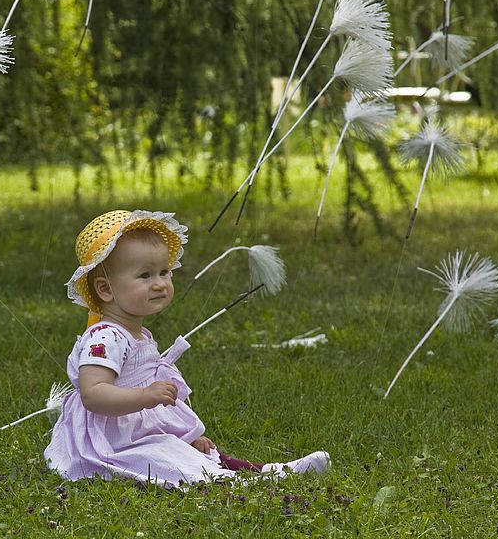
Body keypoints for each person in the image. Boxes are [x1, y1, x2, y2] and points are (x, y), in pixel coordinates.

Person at [43, 209, 330, 488]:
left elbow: (145, 413)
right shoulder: (105, 339)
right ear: (106, 290)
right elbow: (93, 395)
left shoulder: (136, 333)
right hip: (112, 439)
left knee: (194, 451)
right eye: (145, 276)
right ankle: (246, 481)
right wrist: (145, 395)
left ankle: (265, 471)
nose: (160, 284)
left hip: (134, 428)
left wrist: (182, 433)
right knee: (165, 458)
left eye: (164, 272)